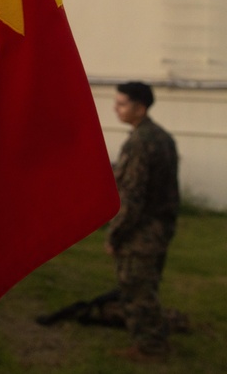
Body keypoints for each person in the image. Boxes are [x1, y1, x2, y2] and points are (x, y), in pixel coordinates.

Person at [106, 81, 180, 362]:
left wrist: (115, 234)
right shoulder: (161, 136)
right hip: (160, 226)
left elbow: (132, 196)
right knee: (147, 284)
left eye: (122, 103)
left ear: (141, 107)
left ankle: (150, 347)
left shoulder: (140, 142)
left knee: (136, 286)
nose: (116, 108)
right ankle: (153, 338)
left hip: (142, 229)